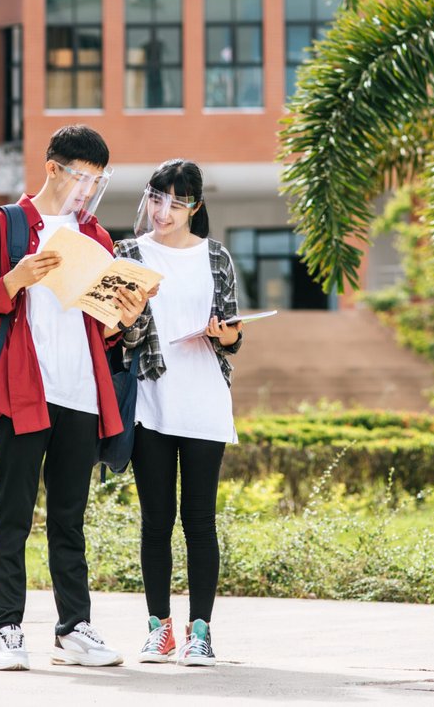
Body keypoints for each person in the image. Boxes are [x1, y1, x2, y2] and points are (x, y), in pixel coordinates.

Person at [0, 124, 150, 672]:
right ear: (53, 169)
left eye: (97, 181)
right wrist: (14, 279)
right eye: (81, 178)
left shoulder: (97, 238)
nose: (87, 190)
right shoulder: (8, 225)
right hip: (24, 389)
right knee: (13, 514)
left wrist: (125, 316)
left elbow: (101, 332)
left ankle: (73, 629)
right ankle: (7, 629)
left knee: (69, 517)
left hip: (81, 391)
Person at [113, 158, 243, 667]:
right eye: (156, 198)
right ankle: (159, 629)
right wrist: (129, 319)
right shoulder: (128, 254)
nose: (163, 211)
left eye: (176, 202)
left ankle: (200, 632)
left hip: (204, 400)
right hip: (151, 401)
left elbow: (232, 334)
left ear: (195, 207)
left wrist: (225, 335)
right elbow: (119, 337)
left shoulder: (216, 257)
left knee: (200, 521)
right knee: (156, 520)